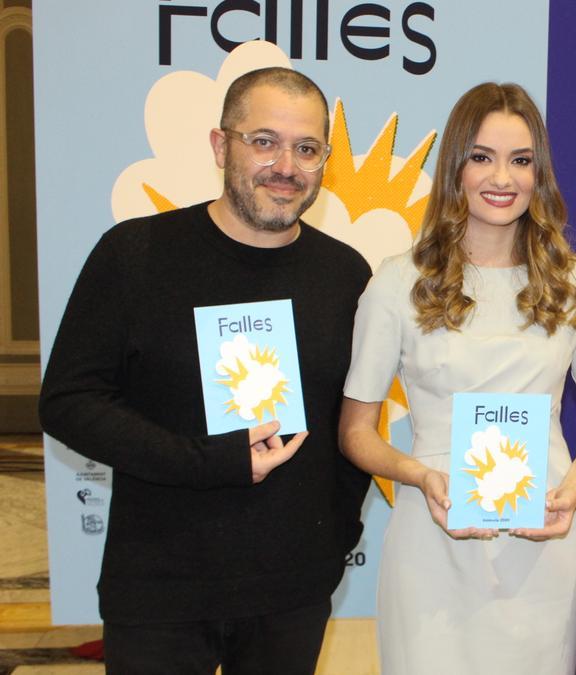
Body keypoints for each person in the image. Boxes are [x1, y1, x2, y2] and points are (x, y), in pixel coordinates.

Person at [38, 67, 371, 673]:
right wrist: (206, 460)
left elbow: (353, 420)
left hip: (291, 593)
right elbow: (68, 400)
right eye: (263, 141)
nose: (286, 166)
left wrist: (332, 541)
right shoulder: (134, 254)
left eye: (307, 148)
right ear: (222, 145)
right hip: (160, 590)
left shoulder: (346, 275)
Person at [337, 82, 576, 674]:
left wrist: (571, 492)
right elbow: (357, 433)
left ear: (539, 173)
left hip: (541, 540)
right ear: (455, 168)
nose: (503, 178)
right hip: (432, 542)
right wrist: (420, 476)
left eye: (521, 160)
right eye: (482, 157)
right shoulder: (397, 282)